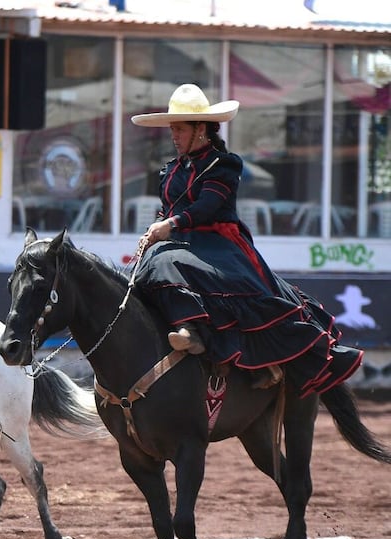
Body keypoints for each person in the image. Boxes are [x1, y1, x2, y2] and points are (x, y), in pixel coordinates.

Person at [131, 84, 362, 396]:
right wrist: (157, 226)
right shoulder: (170, 169)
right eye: (172, 129)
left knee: (164, 260)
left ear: (201, 129)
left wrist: (168, 226)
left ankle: (195, 333)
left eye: (180, 129)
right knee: (144, 268)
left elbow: (206, 208)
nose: (174, 136)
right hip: (180, 239)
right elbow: (168, 208)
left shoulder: (224, 164)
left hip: (217, 243)